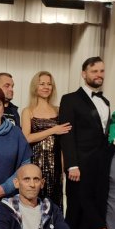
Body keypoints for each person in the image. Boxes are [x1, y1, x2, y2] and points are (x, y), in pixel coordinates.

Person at [59, 56, 110, 229]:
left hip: (100, 167)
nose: (99, 75)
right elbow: (67, 135)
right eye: (94, 71)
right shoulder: (70, 99)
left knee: (94, 210)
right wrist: (72, 164)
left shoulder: (106, 101)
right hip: (78, 167)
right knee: (75, 210)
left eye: (102, 71)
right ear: (84, 74)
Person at [21, 71, 71, 207]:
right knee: (34, 201)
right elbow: (26, 138)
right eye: (42, 84)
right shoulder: (28, 111)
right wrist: (53, 130)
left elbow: (63, 143)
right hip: (35, 163)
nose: (46, 87)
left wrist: (64, 169)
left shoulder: (59, 110)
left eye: (49, 84)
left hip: (56, 164)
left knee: (54, 203)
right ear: (35, 87)